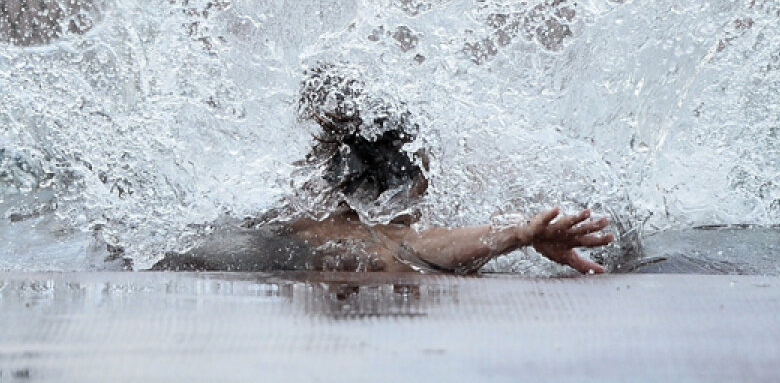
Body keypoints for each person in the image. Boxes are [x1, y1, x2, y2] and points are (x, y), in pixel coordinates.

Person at [153, 63, 614, 274]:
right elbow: (427, 247)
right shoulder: (364, 239)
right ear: (409, 187)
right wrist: (520, 234)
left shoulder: (283, 216)